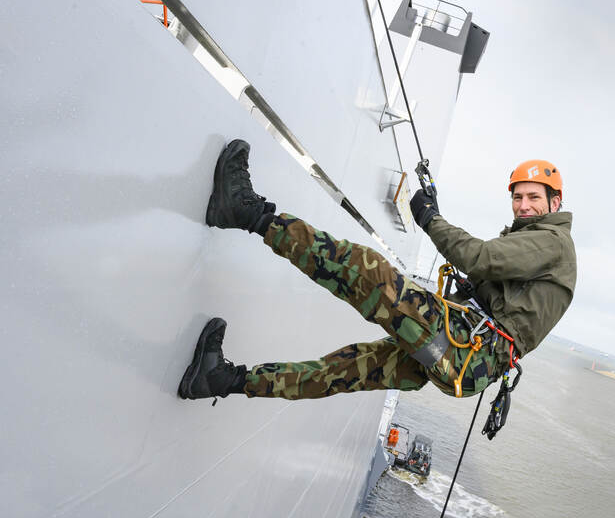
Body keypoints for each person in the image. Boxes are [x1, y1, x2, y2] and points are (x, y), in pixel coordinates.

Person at [178, 139, 576, 402]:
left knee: (366, 270)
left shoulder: (553, 241)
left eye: (533, 198)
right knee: (343, 371)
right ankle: (219, 381)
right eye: (518, 197)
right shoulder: (539, 245)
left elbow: (479, 257)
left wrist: (430, 217)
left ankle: (249, 215)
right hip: (465, 362)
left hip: (463, 349)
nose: (523, 205)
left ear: (555, 201)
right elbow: (495, 287)